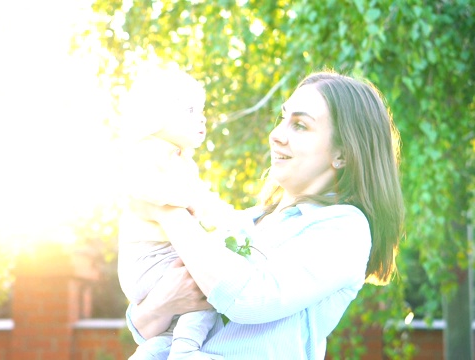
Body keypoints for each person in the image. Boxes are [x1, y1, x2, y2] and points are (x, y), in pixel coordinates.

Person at [125, 70, 405, 359]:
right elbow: (144, 327)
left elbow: (248, 297)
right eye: (282, 119)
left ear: (342, 153)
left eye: (300, 126)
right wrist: (163, 304)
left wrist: (167, 212)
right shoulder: (246, 221)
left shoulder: (344, 229)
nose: (276, 135)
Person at [117, 64, 255, 360]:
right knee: (210, 289)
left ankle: (155, 352)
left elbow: (206, 203)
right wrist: (181, 200)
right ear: (156, 117)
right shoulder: (148, 150)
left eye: (201, 109)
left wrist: (236, 219)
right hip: (150, 258)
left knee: (171, 326)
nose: (201, 117)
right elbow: (137, 185)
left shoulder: (179, 160)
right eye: (190, 110)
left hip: (156, 260)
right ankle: (187, 350)